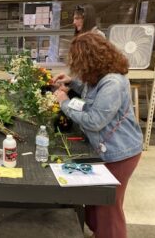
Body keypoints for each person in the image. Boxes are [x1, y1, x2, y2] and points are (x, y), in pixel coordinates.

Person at [51, 32, 142, 238]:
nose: (77, 67)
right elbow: (91, 94)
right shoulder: (101, 76)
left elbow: (94, 121)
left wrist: (64, 101)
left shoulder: (113, 83)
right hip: (107, 149)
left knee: (108, 204)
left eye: (79, 62)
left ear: (90, 60)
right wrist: (72, 82)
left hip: (120, 153)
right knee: (96, 200)